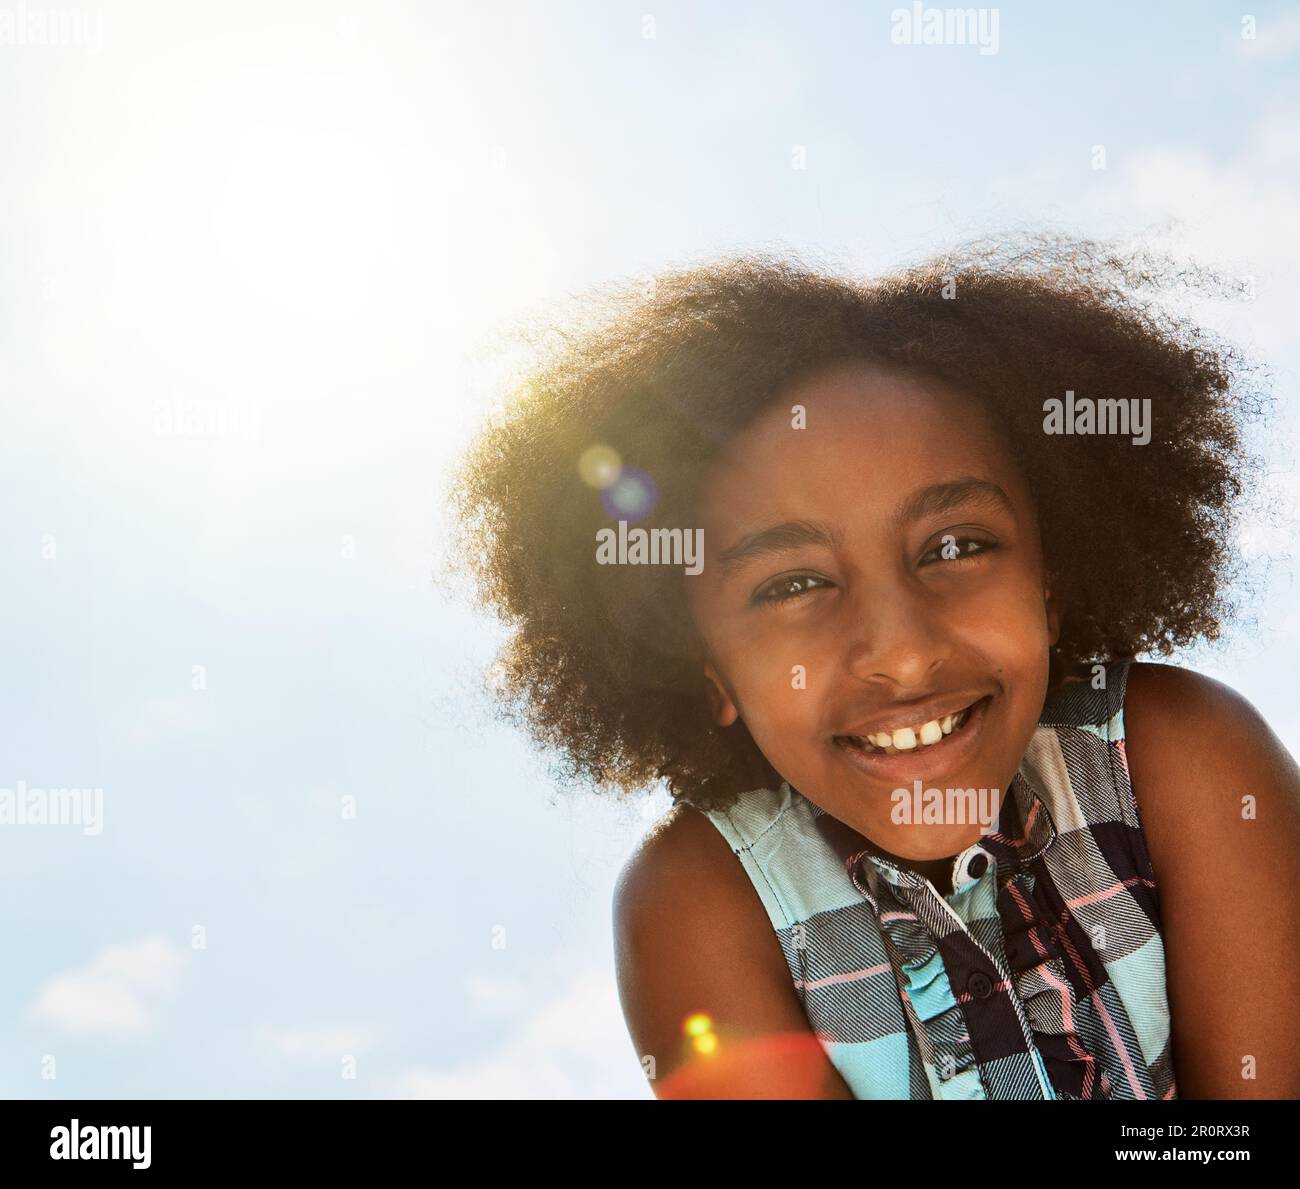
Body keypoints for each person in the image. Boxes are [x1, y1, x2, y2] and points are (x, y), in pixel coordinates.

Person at [448, 234, 1300, 1099]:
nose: (899, 650)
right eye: (792, 584)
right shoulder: (701, 907)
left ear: (1052, 583)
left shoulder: (1180, 755)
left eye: (956, 546)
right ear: (712, 675)